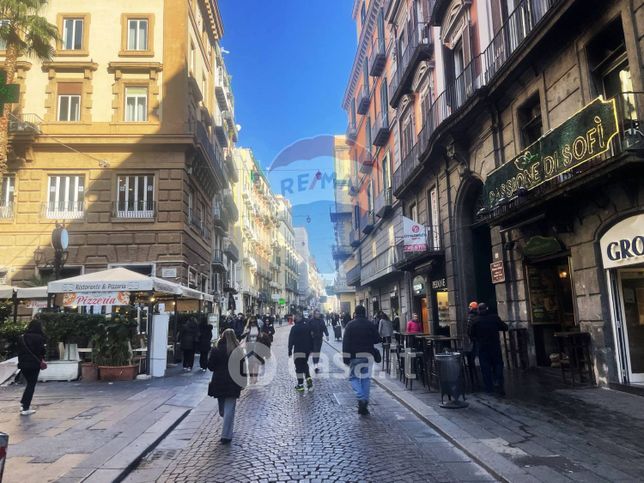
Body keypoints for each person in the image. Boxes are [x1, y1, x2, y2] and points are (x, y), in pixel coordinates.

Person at [207, 329, 246, 444]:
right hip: (233, 382)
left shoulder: (216, 350)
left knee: (224, 409)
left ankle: (226, 435)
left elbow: (210, 367)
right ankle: (227, 432)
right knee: (227, 410)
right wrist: (243, 382)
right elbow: (242, 369)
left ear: (222, 337)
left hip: (219, 382)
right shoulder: (238, 351)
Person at [343, 305, 380, 415]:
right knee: (366, 379)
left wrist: (346, 358)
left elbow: (346, 343)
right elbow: (377, 339)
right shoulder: (370, 324)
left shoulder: (350, 325)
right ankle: (364, 404)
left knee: (353, 378)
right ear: (364, 313)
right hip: (368, 356)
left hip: (355, 356)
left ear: (355, 313)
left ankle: (361, 398)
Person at [470, 303, 508, 396]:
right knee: (498, 364)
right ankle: (499, 383)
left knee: (485, 367)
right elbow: (505, 327)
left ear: (478, 310)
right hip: (495, 345)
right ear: (487, 309)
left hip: (483, 346)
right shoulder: (494, 318)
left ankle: (489, 388)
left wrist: (477, 339)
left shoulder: (475, 320)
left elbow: (471, 334)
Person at [17, 319, 46, 416]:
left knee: (29, 383)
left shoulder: (22, 337)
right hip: (34, 364)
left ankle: (23, 403)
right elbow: (42, 351)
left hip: (23, 364)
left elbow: (19, 351)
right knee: (31, 385)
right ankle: (25, 407)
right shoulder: (39, 337)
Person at [288, 313, 314, 392]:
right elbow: (311, 338)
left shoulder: (294, 328)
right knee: (305, 364)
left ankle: (300, 385)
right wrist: (311, 349)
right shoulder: (307, 327)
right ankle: (309, 380)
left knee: (298, 367)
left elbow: (291, 340)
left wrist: (289, 350)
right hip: (306, 350)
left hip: (298, 350)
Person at [241, 316, 262, 384]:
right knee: (250, 362)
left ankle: (255, 377)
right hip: (249, 346)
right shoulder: (247, 328)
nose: (252, 323)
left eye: (254, 322)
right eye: (251, 322)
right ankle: (250, 377)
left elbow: (260, 337)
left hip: (257, 346)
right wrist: (246, 332)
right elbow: (242, 336)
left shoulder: (258, 328)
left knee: (256, 362)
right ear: (249, 322)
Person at [309, 309, 329, 374]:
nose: (318, 315)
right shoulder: (311, 321)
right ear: (314, 314)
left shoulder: (321, 321)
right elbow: (307, 329)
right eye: (316, 314)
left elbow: (324, 328)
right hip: (313, 339)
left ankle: (316, 364)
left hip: (320, 339)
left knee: (317, 352)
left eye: (318, 314)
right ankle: (315, 366)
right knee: (315, 352)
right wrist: (310, 333)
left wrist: (327, 335)